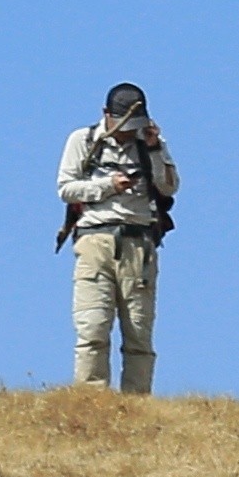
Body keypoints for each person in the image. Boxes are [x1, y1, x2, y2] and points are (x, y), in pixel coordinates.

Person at [57, 82, 181, 394]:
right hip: (95, 240)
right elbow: (66, 189)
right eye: (125, 125)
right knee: (93, 328)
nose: (129, 133)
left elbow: (168, 187)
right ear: (106, 115)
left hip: (139, 245)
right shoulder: (82, 140)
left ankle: (136, 403)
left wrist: (153, 150)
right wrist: (109, 185)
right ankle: (90, 401)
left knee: (139, 333)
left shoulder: (151, 142)